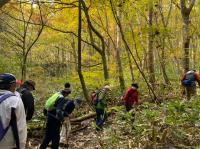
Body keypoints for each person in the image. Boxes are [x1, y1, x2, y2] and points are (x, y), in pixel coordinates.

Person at [0, 73, 27, 149]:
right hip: (8, 144)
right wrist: (21, 146)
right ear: (12, 85)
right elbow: (20, 127)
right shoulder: (15, 101)